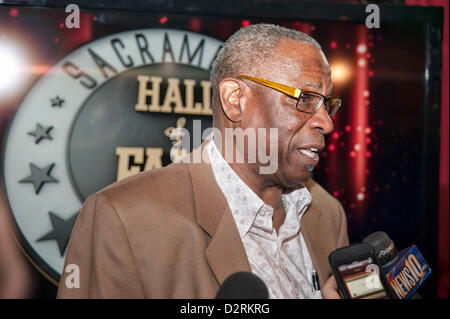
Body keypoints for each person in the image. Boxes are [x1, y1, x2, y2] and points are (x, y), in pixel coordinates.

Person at [57, 23, 348, 299]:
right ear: (235, 99)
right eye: (305, 99)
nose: (326, 123)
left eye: (327, 104)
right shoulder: (122, 218)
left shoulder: (326, 212)